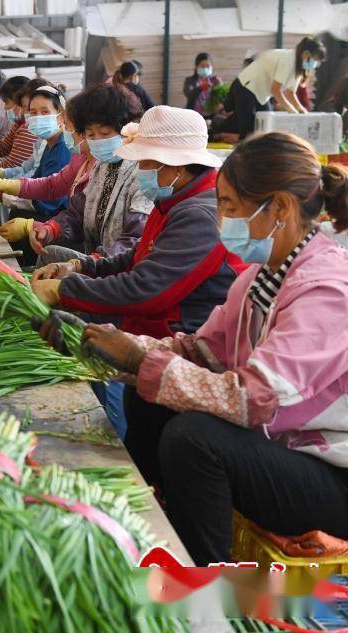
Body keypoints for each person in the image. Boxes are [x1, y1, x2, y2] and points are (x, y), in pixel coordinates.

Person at [36, 132, 348, 565]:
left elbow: (253, 399)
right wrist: (100, 347)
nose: (221, 221)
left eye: (231, 209)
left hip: (331, 474)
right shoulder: (260, 277)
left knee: (195, 439)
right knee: (151, 398)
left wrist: (140, 359)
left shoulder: (327, 290)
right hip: (281, 447)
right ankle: (151, 525)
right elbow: (198, 351)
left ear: (280, 208)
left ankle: (205, 585)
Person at [31, 106, 242, 437]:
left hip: (180, 349)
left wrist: (65, 290)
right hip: (150, 343)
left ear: (177, 165)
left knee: (156, 440)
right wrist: (81, 265)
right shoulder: (175, 200)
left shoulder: (200, 213)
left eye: (146, 163)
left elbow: (147, 288)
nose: (140, 169)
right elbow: (137, 257)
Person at [0, 83, 149, 268]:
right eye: (90, 134)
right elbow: (78, 212)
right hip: (95, 262)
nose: (97, 141)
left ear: (127, 128)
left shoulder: (143, 175)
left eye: (104, 133)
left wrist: (84, 265)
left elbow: (134, 240)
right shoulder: (102, 166)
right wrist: (51, 229)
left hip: (116, 269)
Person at [226, 36, 327, 139]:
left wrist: (302, 111)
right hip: (247, 87)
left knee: (266, 129)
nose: (316, 64)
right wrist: (292, 110)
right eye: (316, 60)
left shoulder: (298, 66)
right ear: (306, 54)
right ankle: (218, 132)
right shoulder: (289, 59)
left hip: (261, 94)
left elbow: (290, 93)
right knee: (249, 132)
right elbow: (275, 90)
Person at [183, 52, 222, 116]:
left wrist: (220, 86)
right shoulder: (190, 80)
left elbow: (222, 98)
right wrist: (200, 88)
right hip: (194, 116)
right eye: (202, 66)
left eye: (208, 66)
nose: (205, 68)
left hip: (211, 117)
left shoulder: (215, 80)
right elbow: (189, 94)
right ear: (196, 67)